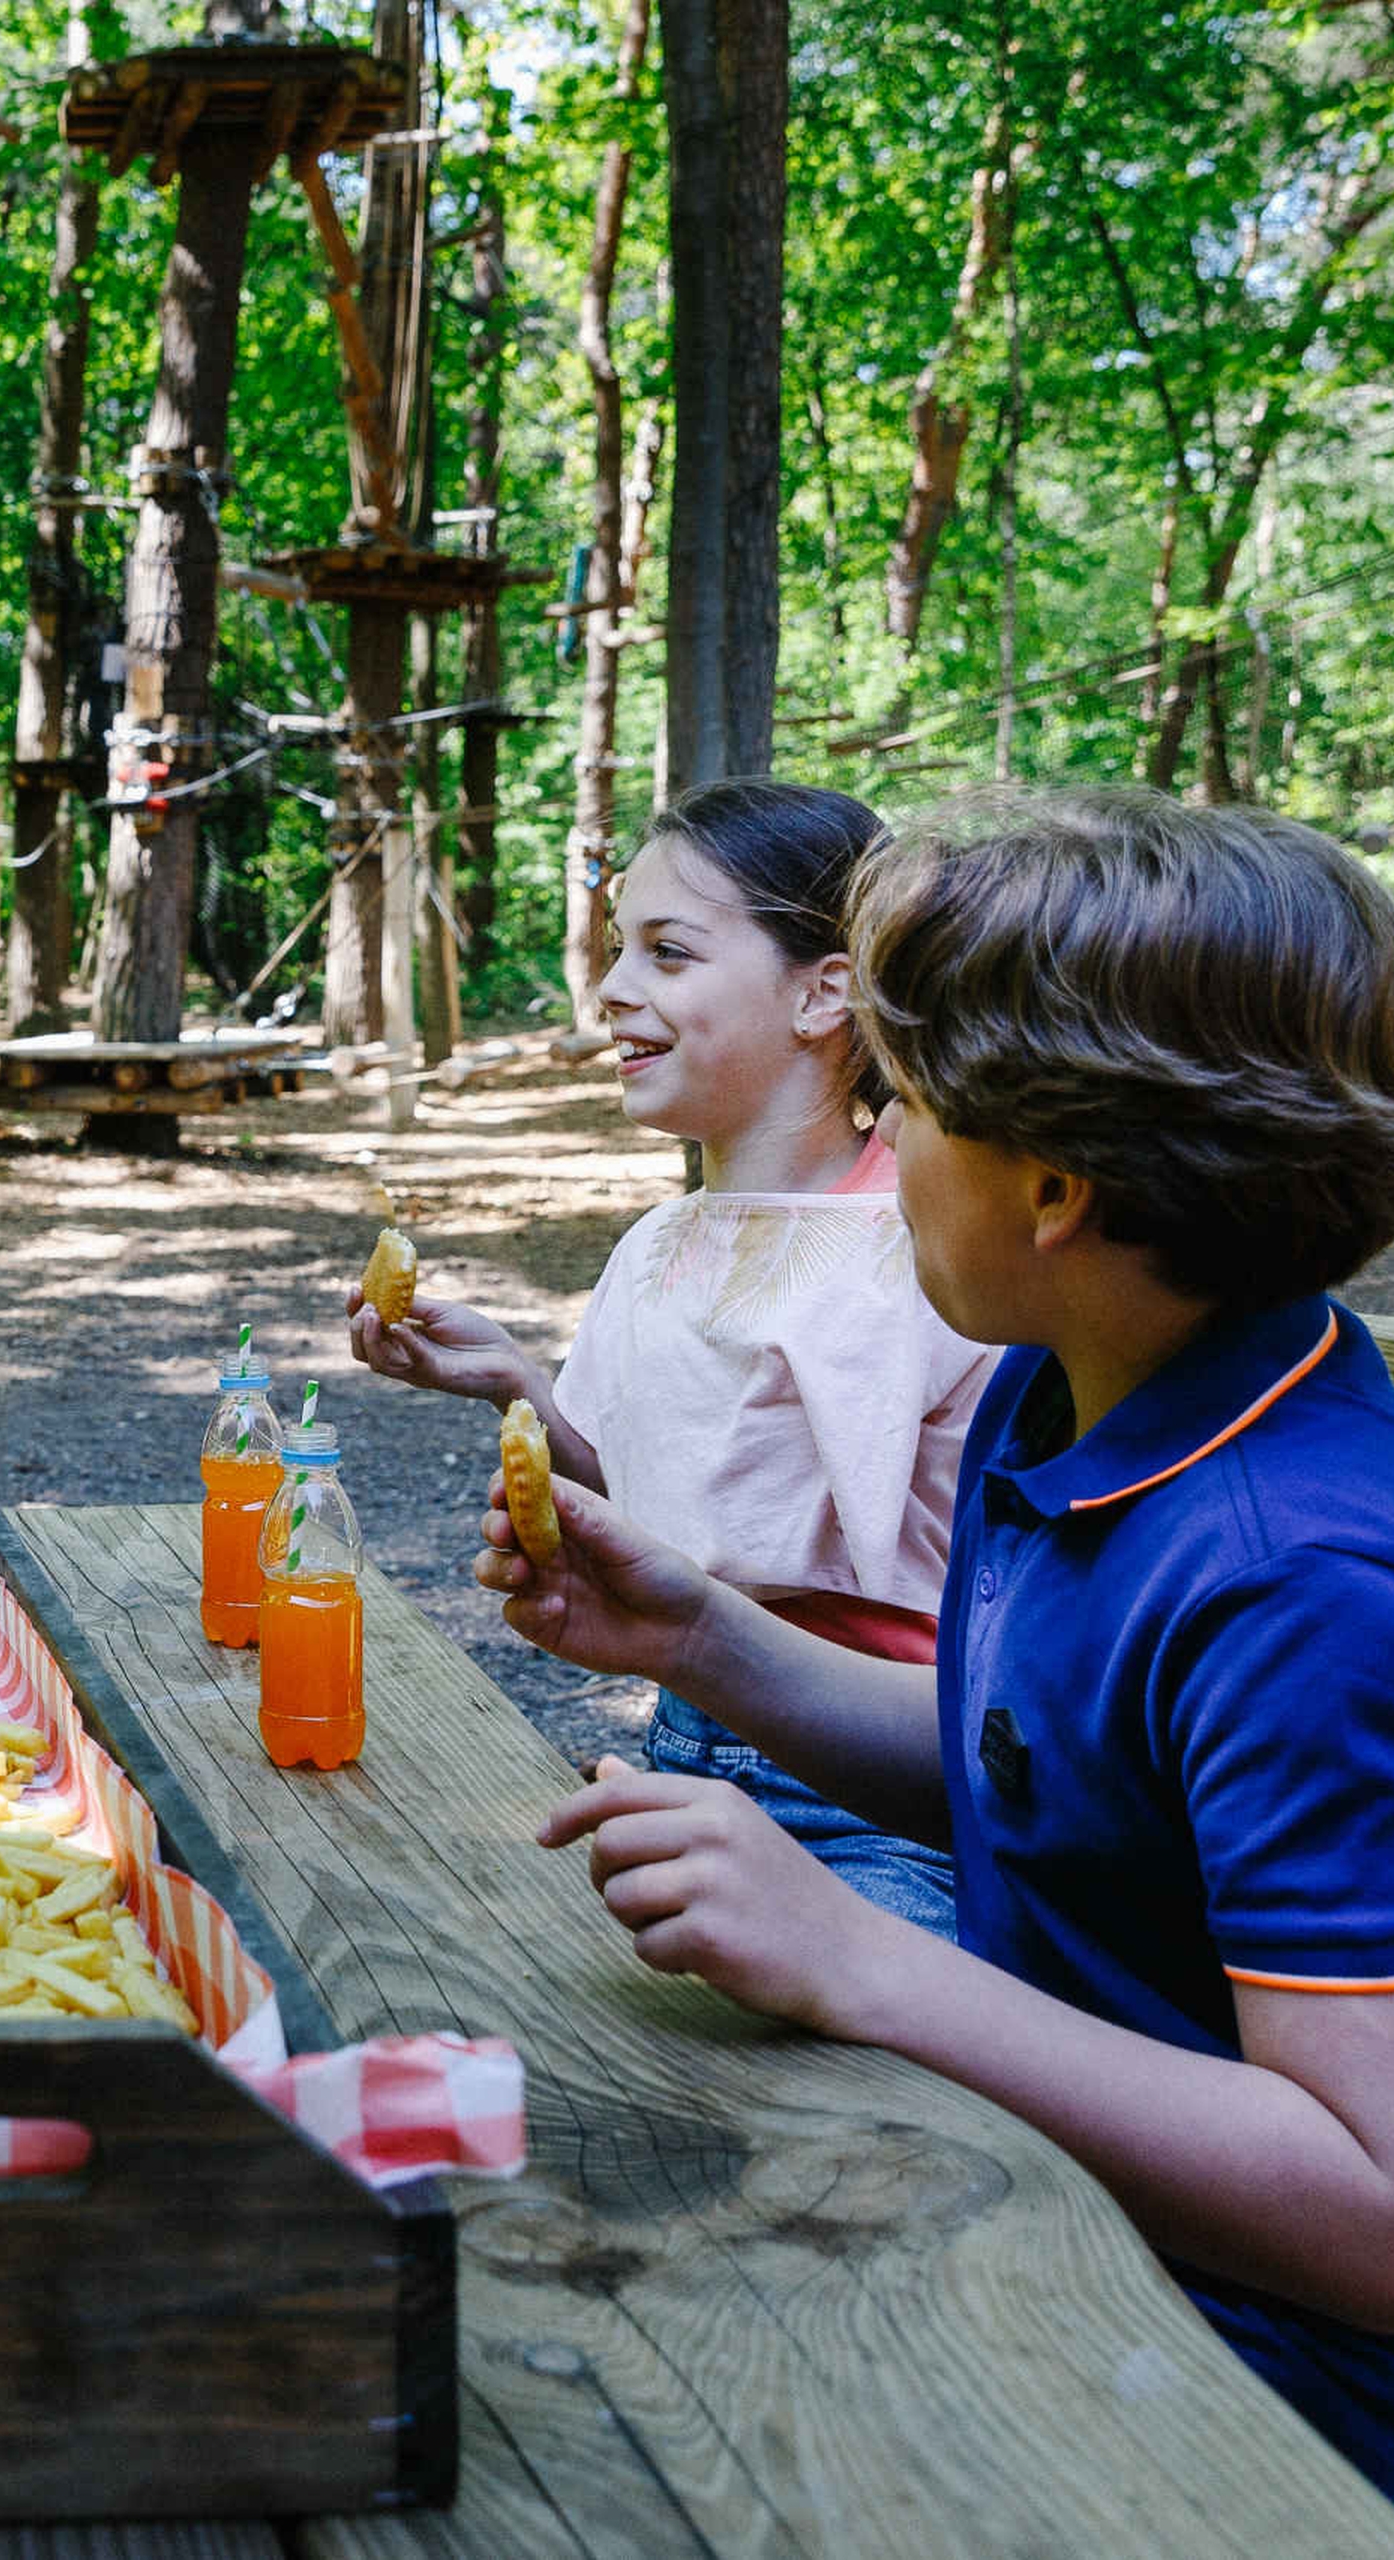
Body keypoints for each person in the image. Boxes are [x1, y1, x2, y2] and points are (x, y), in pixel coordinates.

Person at [497, 788, 1394, 2540]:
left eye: (910, 1101)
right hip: (1077, 2229)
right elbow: (1044, 1776)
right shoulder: (1066, 1382)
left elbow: (1387, 2224)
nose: (886, 1142)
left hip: (1284, 2418)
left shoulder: (1305, 1584)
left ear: (1056, 1189)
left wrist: (861, 1960)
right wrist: (707, 1641)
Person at [348, 779, 986, 1933]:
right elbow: (663, 1503)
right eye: (617, 949)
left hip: (892, 1786)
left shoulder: (932, 1236)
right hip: (685, 1742)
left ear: (824, 992)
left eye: (669, 952)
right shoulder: (660, 1242)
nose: (611, 988)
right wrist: (521, 1386)